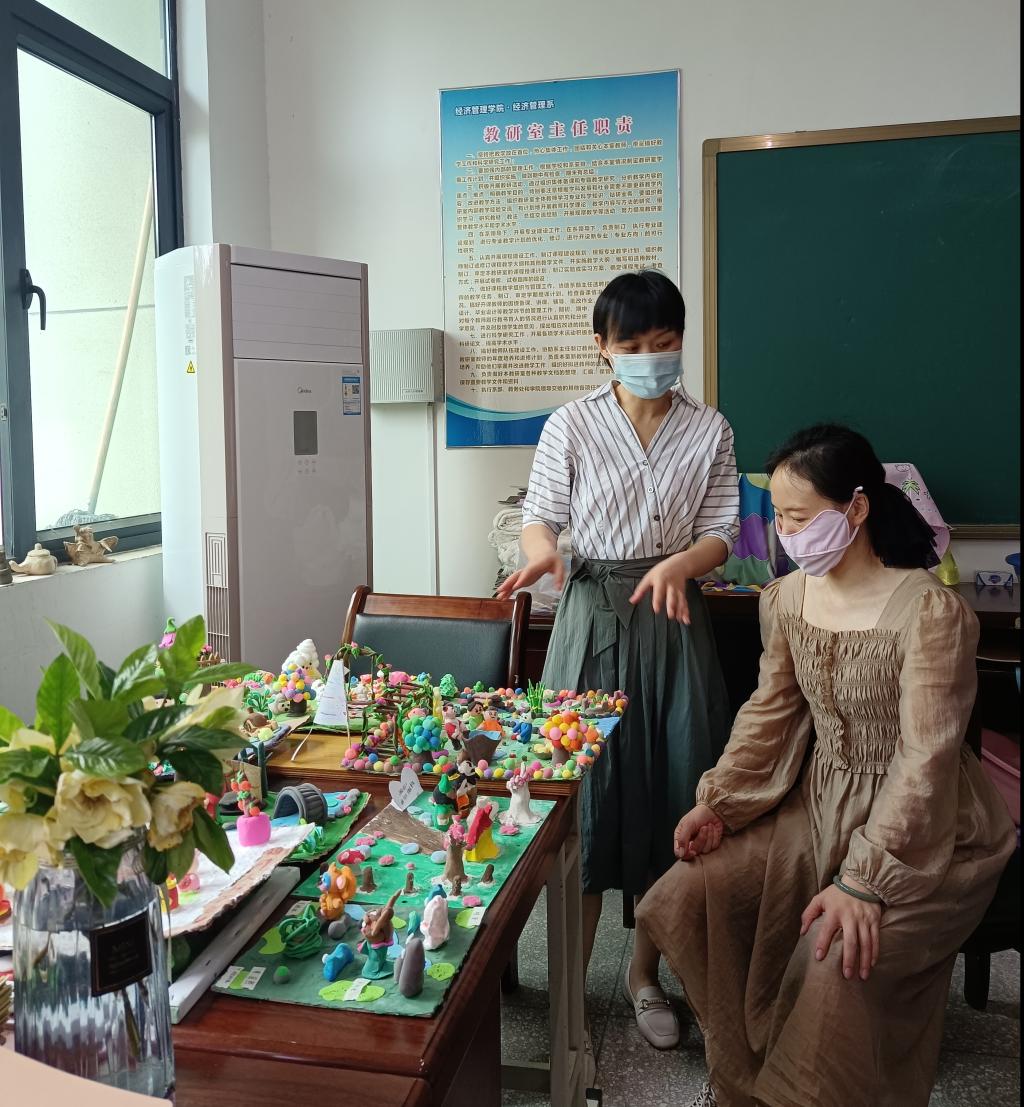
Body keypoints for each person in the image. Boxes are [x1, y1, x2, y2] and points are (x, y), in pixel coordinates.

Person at [636, 424, 1016, 1107]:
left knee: (836, 958)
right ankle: (748, 1075)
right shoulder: (786, 599)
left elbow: (925, 759)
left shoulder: (930, 612)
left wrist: (865, 880)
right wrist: (719, 801)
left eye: (799, 516)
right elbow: (770, 711)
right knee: (687, 891)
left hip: (923, 831)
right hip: (815, 803)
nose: (784, 534)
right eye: (778, 517)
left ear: (857, 507)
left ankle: (809, 1087)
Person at [497, 270, 740, 1061]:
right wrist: (544, 555)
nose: (650, 356)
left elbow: (722, 531)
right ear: (601, 346)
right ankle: (568, 990)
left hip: (673, 617)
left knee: (678, 787)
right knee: (584, 800)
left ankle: (644, 976)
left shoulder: (709, 429)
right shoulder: (571, 424)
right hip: (591, 613)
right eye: (632, 344)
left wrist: (680, 564)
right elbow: (540, 517)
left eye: (663, 342)